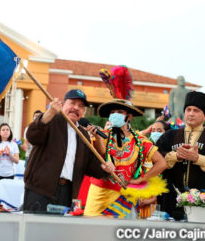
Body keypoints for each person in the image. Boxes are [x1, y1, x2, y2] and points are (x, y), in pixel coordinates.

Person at [84, 66, 167, 217]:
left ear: (129, 117)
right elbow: (101, 153)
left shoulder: (140, 140)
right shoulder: (101, 133)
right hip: (98, 195)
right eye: (112, 112)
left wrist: (141, 180)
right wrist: (96, 138)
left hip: (124, 198)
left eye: (120, 112)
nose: (115, 114)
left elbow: (162, 163)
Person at [23, 89, 108, 212]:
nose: (76, 108)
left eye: (80, 106)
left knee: (60, 230)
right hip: (40, 190)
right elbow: (32, 136)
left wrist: (105, 167)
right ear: (62, 105)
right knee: (35, 229)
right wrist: (49, 113)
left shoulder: (83, 134)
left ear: (83, 111)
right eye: (72, 103)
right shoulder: (51, 120)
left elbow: (91, 166)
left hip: (67, 193)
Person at [157, 91, 205, 220]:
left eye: (196, 110)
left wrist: (198, 159)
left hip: (202, 201)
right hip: (171, 199)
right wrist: (175, 156)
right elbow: (154, 157)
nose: (191, 113)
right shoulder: (169, 135)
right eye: (188, 109)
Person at [0, 123, 19, 204]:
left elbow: (17, 161)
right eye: (3, 130)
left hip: (9, 175)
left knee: (7, 199)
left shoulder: (14, 144)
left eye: (7, 130)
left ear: (10, 132)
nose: (6, 131)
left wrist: (9, 154)